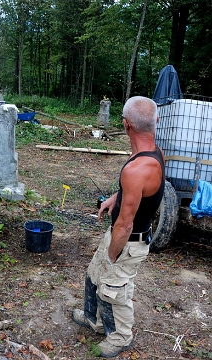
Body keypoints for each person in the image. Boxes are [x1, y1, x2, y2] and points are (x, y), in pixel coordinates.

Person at [72, 96, 165, 358]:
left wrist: (112, 254)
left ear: (126, 125)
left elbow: (124, 225)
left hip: (128, 240)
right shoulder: (154, 154)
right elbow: (143, 192)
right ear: (154, 121)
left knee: (115, 288)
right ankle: (97, 321)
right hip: (121, 235)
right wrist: (117, 197)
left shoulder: (136, 169)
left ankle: (121, 336)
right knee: (95, 275)